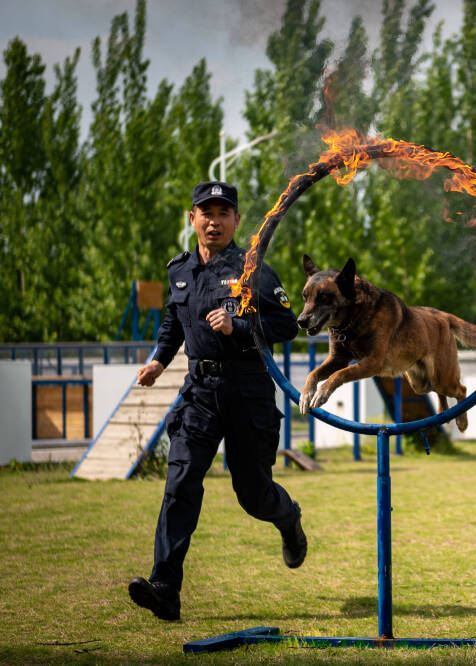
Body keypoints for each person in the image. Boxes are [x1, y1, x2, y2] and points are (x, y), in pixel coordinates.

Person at [128, 181, 305, 622]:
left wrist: (239, 328)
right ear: (192, 219)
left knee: (253, 494)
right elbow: (174, 320)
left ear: (236, 221)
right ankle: (165, 588)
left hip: (249, 392)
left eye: (223, 212)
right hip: (200, 394)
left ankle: (288, 518)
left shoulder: (253, 269)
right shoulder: (180, 271)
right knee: (181, 482)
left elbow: (287, 325)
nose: (214, 220)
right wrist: (158, 360)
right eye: (206, 212)